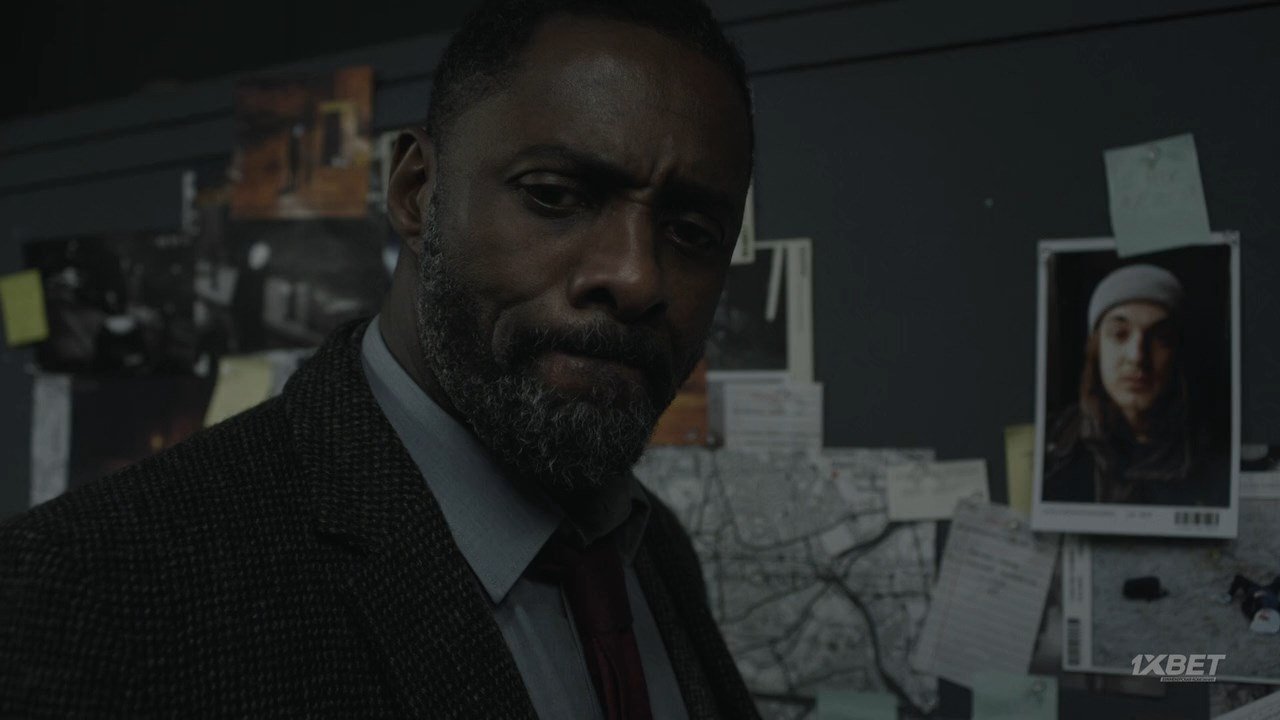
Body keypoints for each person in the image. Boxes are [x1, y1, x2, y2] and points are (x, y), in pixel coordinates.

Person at [0, 1, 760, 717]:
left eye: (693, 233)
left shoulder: (649, 545)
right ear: (416, 191)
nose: (636, 277)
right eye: (555, 195)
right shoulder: (81, 592)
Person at [1043, 263, 1226, 506]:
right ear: (1096, 348)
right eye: (1120, 334)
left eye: (1160, 338)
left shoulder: (1216, 458)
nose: (1137, 356)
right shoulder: (1052, 447)